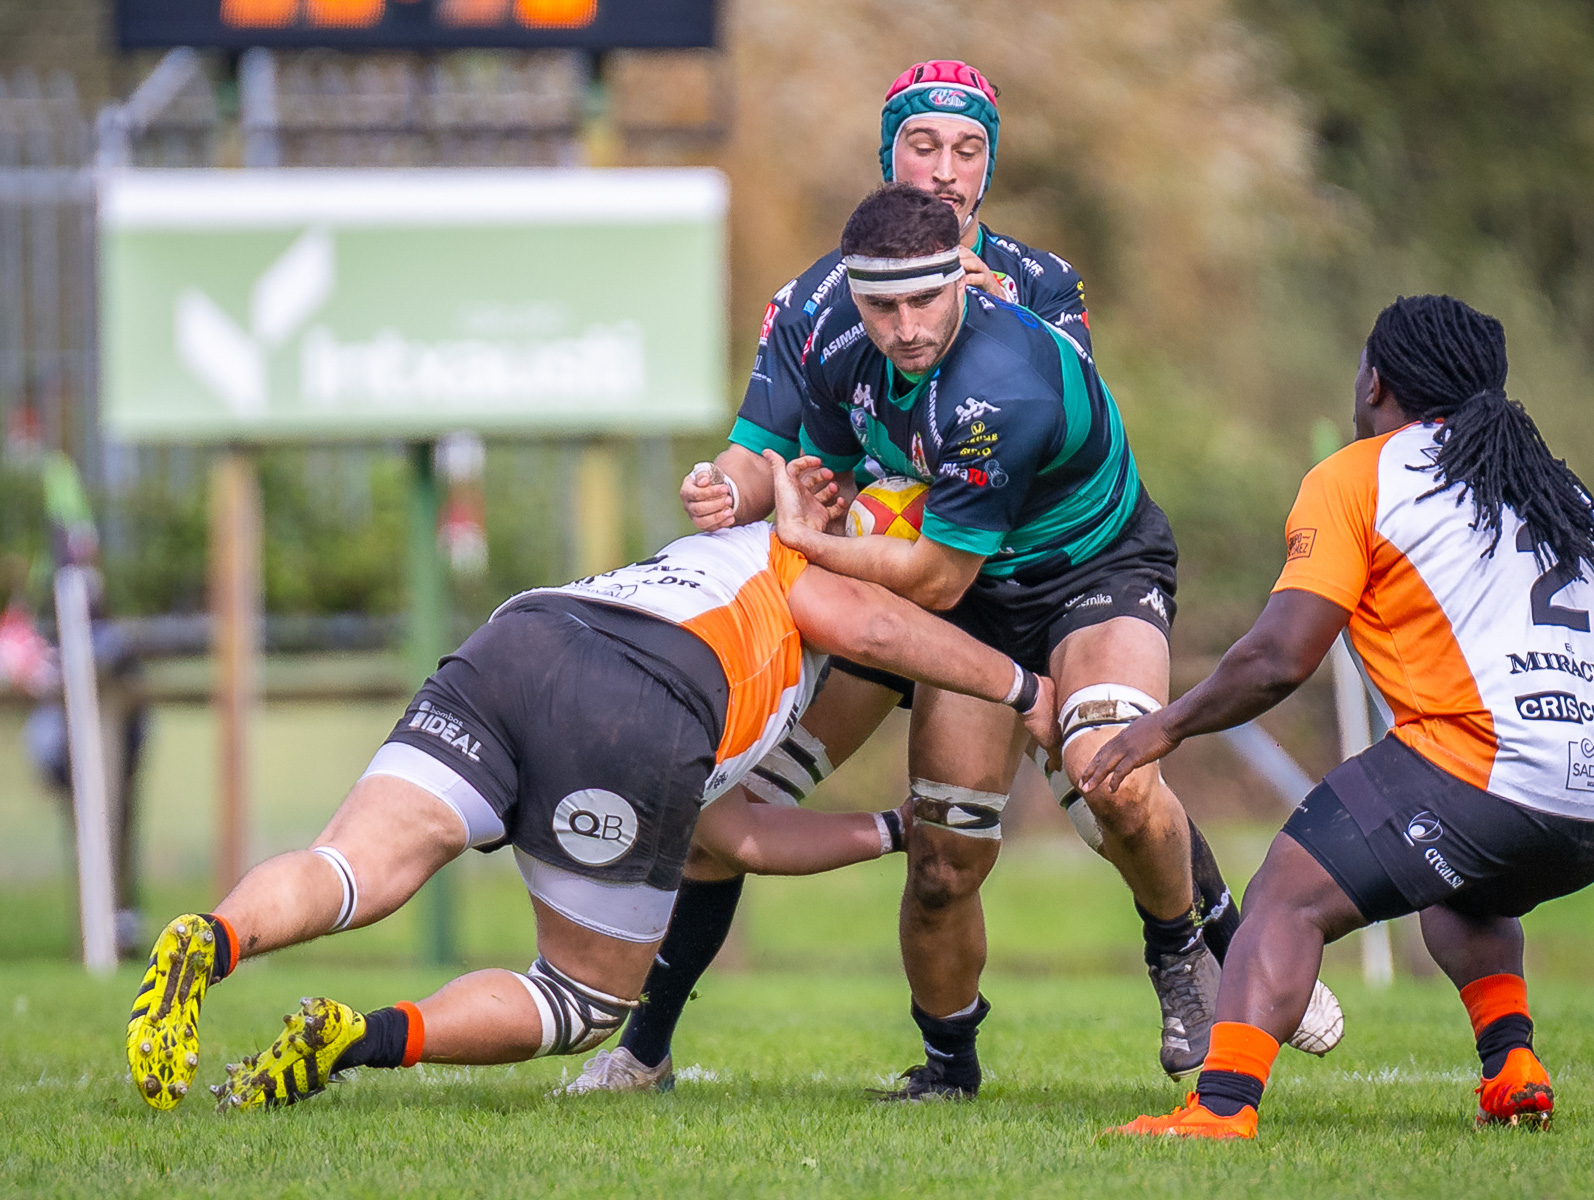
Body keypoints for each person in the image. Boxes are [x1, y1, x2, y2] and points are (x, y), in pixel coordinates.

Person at [588, 57, 1287, 1095]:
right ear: (889, 155)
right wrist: (731, 493)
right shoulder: (821, 305)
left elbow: (982, 473)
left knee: (1110, 769)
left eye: (968, 151)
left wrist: (836, 527)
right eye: (924, 144)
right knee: (784, 814)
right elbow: (767, 448)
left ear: (987, 173)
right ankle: (654, 1047)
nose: (946, 170)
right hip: (902, 590)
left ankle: (1201, 944)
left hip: (1017, 576)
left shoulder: (1032, 298)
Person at [124, 518, 1058, 1112]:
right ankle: (356, 1037)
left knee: (348, 867)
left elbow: (738, 839)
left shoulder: (714, 555)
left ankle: (213, 937)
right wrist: (1022, 685)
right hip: (634, 704)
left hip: (519, 640)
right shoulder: (806, 569)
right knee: (582, 1000)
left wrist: (896, 829)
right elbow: (881, 629)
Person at [1087, 294, 1594, 1139]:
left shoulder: (1364, 471)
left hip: (1487, 772)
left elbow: (1278, 658)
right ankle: (1514, 1066)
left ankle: (1221, 1106)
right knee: (1462, 877)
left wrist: (1161, 726)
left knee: (1286, 893)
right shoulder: (1567, 496)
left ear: (1375, 381)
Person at [761, 181, 1334, 1101]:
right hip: (978, 596)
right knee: (944, 861)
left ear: (963, 279)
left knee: (1113, 769)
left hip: (1089, 574)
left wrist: (818, 546)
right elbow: (837, 461)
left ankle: (1176, 947)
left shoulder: (1001, 386)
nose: (904, 326)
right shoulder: (835, 344)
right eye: (882, 305)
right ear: (850, 295)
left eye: (924, 299)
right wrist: (820, 491)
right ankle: (949, 1068)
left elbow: (936, 578)